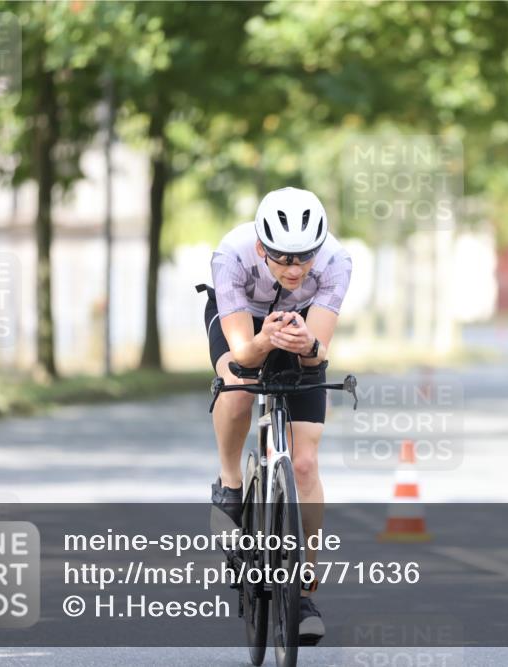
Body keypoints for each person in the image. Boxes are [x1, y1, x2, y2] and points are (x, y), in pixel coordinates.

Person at [205, 186, 351, 643]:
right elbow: (242, 353)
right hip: (244, 324)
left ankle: (304, 591)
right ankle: (230, 483)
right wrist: (264, 342)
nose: (294, 268)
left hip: (301, 326)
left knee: (305, 463)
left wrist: (306, 345)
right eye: (283, 258)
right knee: (239, 384)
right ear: (261, 248)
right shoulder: (230, 256)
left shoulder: (335, 262)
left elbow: (318, 355)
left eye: (303, 257)